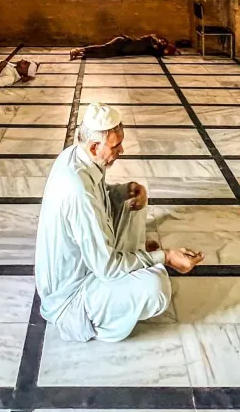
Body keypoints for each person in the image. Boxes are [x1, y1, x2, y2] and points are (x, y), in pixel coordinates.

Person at [35, 102, 203, 342]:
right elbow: (107, 267)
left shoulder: (76, 156)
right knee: (156, 288)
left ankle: (136, 259)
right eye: (116, 145)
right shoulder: (76, 191)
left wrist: (125, 191)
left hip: (92, 262)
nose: (122, 150)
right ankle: (113, 295)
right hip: (72, 295)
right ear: (94, 147)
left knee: (134, 199)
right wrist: (165, 257)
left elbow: (99, 195)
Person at [70, 34, 178, 61]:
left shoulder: (154, 50)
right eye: (162, 40)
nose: (162, 42)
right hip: (123, 42)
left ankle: (81, 54)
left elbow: (163, 52)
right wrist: (158, 40)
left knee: (104, 54)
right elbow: (153, 35)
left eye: (164, 43)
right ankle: (79, 50)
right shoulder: (150, 39)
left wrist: (175, 50)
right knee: (103, 48)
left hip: (122, 51)